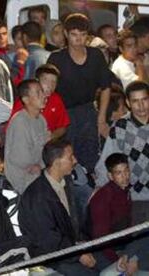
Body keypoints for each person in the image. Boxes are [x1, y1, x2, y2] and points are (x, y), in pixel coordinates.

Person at [19, 139, 102, 276]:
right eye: (70, 157)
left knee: (108, 260)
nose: (75, 160)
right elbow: (47, 239)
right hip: (51, 257)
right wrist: (79, 255)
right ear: (57, 163)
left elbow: (75, 223)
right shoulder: (37, 197)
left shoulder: (66, 183)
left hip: (71, 248)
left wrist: (84, 244)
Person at [47, 13, 112, 173]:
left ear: (87, 36)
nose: (78, 39)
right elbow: (47, 91)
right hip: (64, 114)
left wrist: (101, 118)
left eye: (82, 35)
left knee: (91, 158)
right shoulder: (56, 58)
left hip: (89, 111)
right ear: (66, 34)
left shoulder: (95, 55)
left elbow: (106, 87)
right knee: (65, 160)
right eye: (74, 35)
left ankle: (89, 193)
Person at [95, 81, 149, 225]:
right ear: (128, 103)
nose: (141, 106)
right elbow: (107, 162)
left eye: (144, 100)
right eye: (136, 101)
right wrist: (99, 189)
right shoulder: (120, 128)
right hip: (136, 199)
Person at [5, 79, 49, 194]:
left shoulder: (41, 120)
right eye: (38, 93)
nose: (44, 96)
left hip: (37, 172)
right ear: (26, 99)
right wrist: (38, 165)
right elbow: (20, 158)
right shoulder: (20, 122)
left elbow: (46, 148)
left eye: (42, 92)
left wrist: (40, 165)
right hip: (22, 179)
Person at [11, 64, 70, 140]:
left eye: (53, 82)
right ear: (37, 81)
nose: (50, 85)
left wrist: (51, 137)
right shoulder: (26, 100)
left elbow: (62, 126)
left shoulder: (56, 99)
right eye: (46, 81)